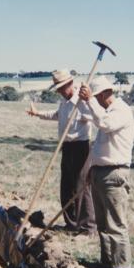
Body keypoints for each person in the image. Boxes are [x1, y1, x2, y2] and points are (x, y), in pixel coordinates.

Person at [79, 76, 134, 268]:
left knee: (115, 224)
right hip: (100, 172)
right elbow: (99, 146)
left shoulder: (120, 111)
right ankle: (107, 262)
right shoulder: (105, 110)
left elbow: (104, 124)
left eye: (96, 98)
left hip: (114, 174)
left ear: (102, 94)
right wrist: (90, 171)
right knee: (103, 223)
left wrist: (89, 101)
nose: (95, 101)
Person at [27, 69, 96, 235]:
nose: (59, 91)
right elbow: (57, 115)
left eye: (62, 87)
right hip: (66, 147)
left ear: (70, 84)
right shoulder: (64, 102)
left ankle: (88, 228)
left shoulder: (81, 102)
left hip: (81, 147)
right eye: (57, 88)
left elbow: (96, 116)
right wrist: (38, 114)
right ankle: (71, 224)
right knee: (66, 187)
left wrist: (89, 99)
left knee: (81, 187)